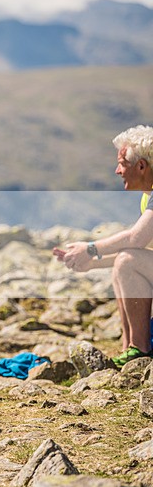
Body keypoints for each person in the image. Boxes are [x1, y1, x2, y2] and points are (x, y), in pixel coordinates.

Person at [54, 125, 153, 367]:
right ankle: (129, 349)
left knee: (127, 261)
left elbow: (135, 240)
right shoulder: (147, 197)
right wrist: (91, 263)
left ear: (141, 166)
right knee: (123, 263)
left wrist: (90, 248)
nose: (117, 171)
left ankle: (140, 349)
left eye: (122, 164)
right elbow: (144, 252)